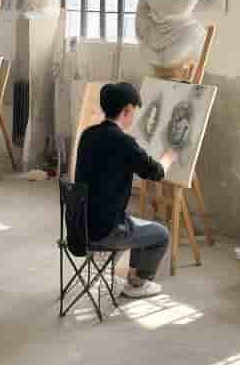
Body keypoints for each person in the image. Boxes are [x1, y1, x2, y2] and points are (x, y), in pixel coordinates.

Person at [75, 82, 177, 299]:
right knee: (161, 234)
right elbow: (156, 172)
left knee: (136, 223)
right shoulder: (123, 142)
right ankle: (138, 283)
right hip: (107, 231)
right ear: (127, 110)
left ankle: (105, 270)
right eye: (134, 112)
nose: (134, 118)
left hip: (80, 227)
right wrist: (168, 158)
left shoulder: (88, 135)